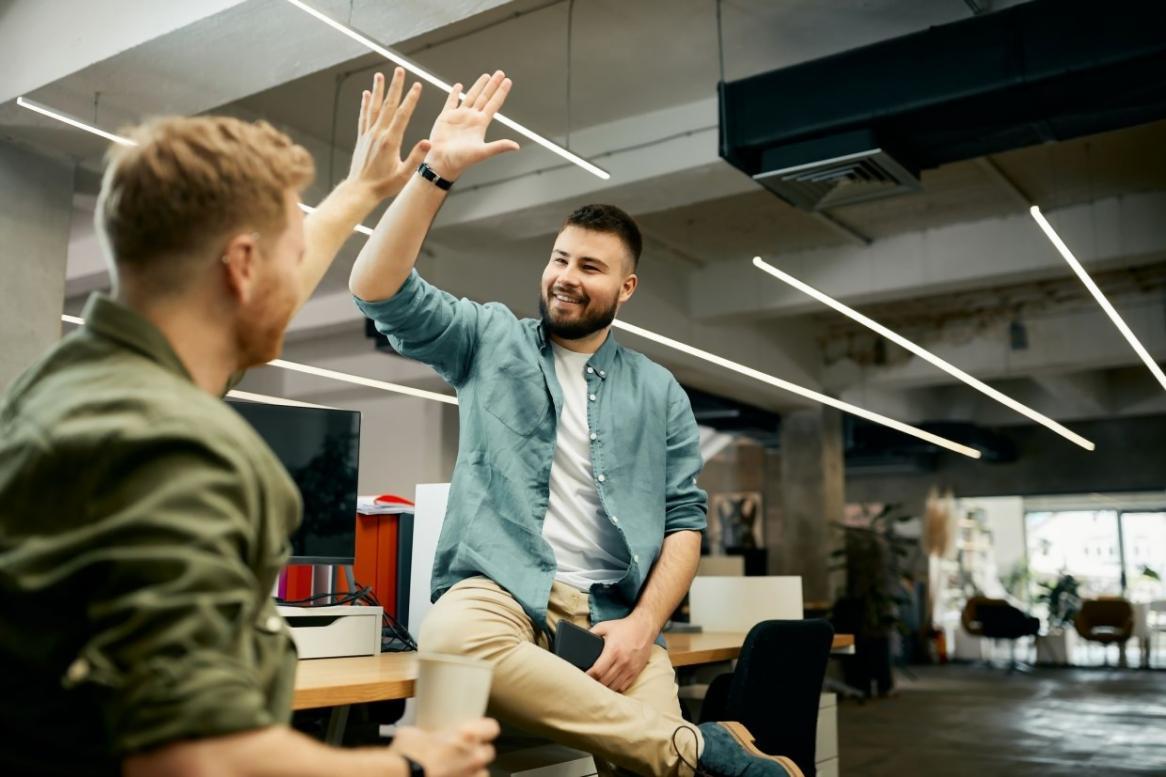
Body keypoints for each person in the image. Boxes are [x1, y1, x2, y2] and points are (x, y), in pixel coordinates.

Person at [0, 69, 498, 777]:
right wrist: (411, 765)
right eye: (289, 258)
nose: (296, 282)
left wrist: (359, 192)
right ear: (240, 266)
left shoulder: (68, 385)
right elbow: (195, 756)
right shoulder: (177, 448)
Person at [349, 71, 801, 777]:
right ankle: (702, 745)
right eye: (560, 258)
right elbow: (377, 288)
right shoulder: (489, 340)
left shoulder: (658, 391)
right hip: (495, 589)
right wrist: (437, 171)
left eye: (590, 266)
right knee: (452, 640)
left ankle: (682, 749)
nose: (566, 275)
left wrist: (645, 625)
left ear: (625, 288)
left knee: (644, 766)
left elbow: (685, 520)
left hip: (609, 615)